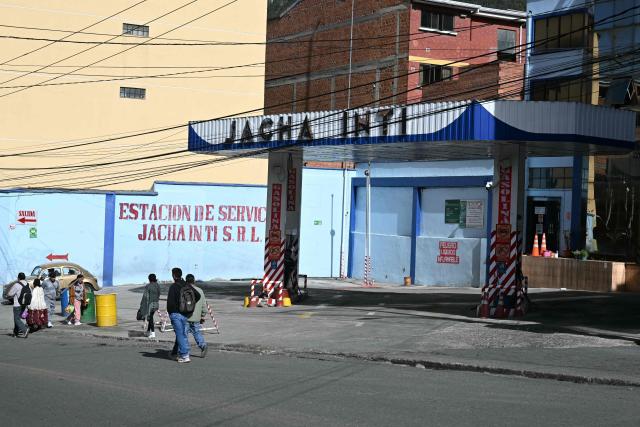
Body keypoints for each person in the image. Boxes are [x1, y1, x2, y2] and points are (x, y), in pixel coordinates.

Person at [167, 267, 200, 363]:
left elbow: (170, 302)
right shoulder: (186, 285)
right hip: (185, 314)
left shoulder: (173, 286)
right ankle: (183, 353)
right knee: (183, 334)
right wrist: (190, 306)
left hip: (176, 314)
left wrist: (171, 313)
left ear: (173, 275)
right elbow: (197, 295)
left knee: (180, 334)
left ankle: (185, 355)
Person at [185, 274, 208, 358]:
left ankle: (185, 351)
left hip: (186, 317)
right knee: (197, 333)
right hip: (196, 317)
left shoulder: (184, 290)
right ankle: (203, 346)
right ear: (194, 281)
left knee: (184, 335)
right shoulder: (200, 291)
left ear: (186, 281)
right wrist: (202, 315)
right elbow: (204, 305)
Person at [7, 272, 29, 338]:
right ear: (24, 277)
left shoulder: (16, 284)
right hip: (24, 305)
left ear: (18, 278)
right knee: (18, 319)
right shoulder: (27, 284)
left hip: (17, 305)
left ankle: (25, 329)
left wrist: (8, 295)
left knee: (16, 319)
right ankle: (15, 333)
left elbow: (10, 294)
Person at [139, 273, 160, 338]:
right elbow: (159, 294)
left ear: (149, 279)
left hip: (150, 305)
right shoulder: (157, 285)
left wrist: (142, 305)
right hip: (156, 304)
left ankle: (153, 333)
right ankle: (148, 332)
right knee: (150, 317)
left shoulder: (148, 286)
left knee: (150, 318)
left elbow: (145, 297)